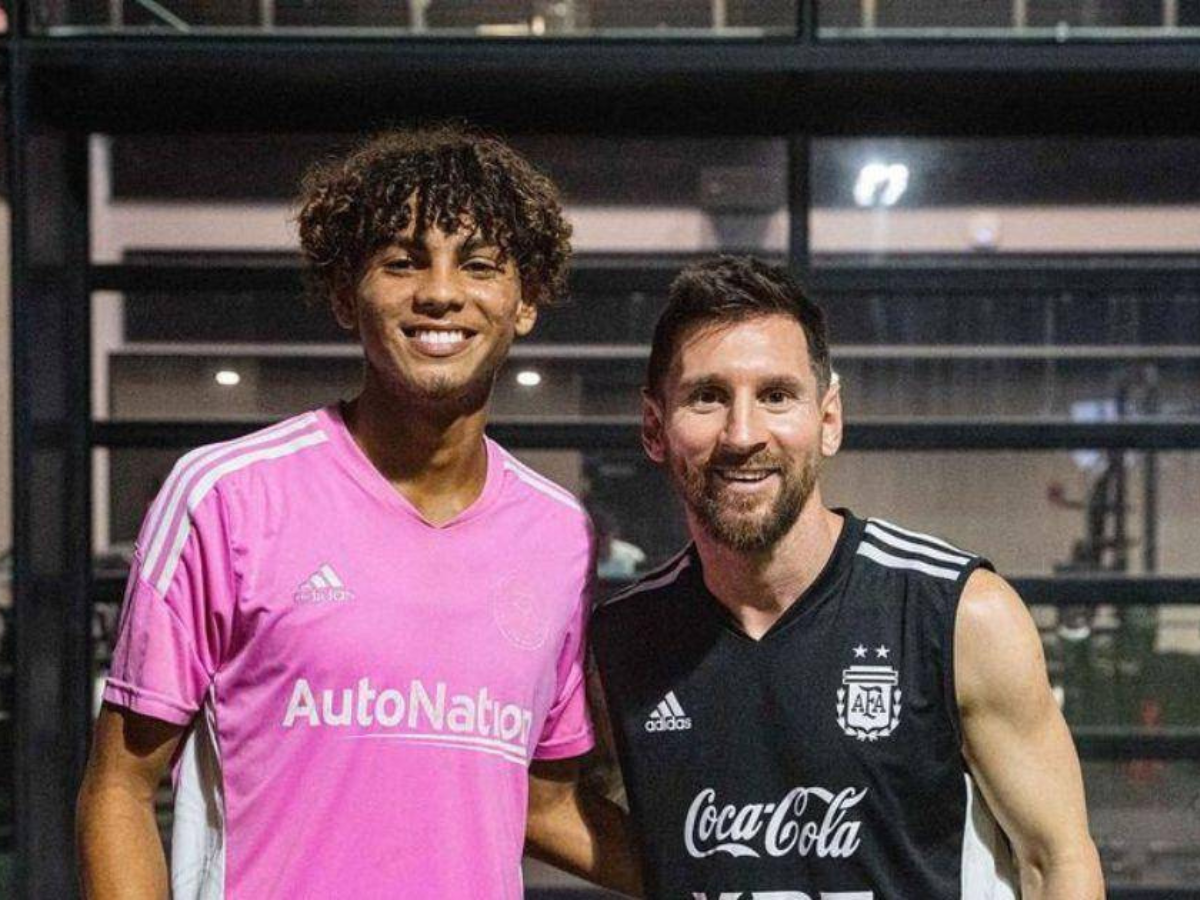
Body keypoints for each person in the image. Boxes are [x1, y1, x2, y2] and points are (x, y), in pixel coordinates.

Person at [76, 124, 639, 899]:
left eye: (478, 265)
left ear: (526, 302)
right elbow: (119, 789)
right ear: (346, 295)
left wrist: (726, 874)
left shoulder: (558, 537)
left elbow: (541, 805)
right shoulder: (226, 498)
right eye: (402, 262)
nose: (440, 292)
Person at [589, 256, 1104, 899]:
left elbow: (1057, 861)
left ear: (828, 420)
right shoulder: (623, 641)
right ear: (654, 428)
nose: (743, 434)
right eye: (707, 397)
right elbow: (543, 803)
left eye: (776, 396)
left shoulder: (957, 614)